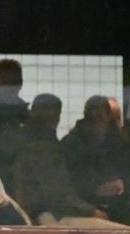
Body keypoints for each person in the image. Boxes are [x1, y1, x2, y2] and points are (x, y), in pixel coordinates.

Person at [10, 94, 118, 226]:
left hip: (56, 210)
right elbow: (54, 194)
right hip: (49, 214)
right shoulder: (43, 146)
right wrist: (90, 210)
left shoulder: (42, 142)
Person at [61, 95, 128, 222]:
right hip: (87, 209)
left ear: (109, 117)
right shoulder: (71, 144)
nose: (95, 122)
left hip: (121, 207)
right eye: (91, 118)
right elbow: (65, 183)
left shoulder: (120, 143)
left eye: (100, 117)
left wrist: (122, 183)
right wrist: (94, 189)